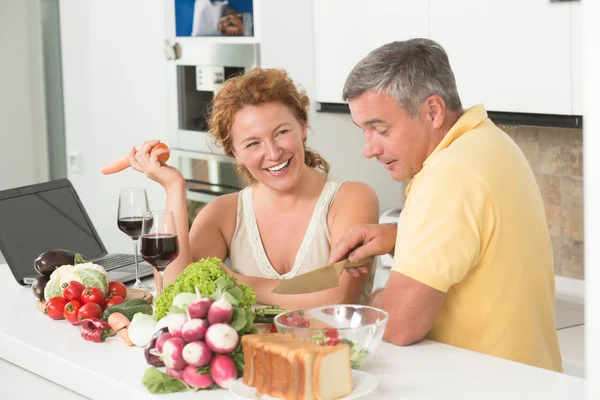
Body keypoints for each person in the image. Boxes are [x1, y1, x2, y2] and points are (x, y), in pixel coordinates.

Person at [328, 38, 563, 372]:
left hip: (490, 384)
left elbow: (399, 325)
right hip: (530, 378)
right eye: (363, 131)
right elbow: (477, 241)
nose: (369, 149)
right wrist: (402, 236)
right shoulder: (489, 142)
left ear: (433, 111)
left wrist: (368, 300)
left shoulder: (449, 174)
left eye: (379, 129)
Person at [128, 68, 379, 310]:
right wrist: (173, 188)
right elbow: (175, 294)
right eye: (252, 143)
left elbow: (338, 298)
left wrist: (239, 282)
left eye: (281, 132)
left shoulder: (352, 198)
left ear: (302, 127)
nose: (272, 152)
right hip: (253, 352)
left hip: (341, 352)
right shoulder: (224, 213)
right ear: (235, 154)